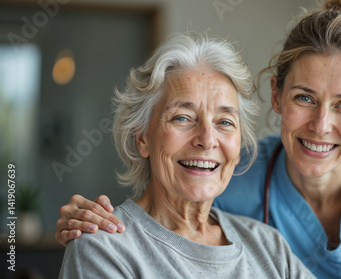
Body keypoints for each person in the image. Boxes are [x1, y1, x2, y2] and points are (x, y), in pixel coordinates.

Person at [56, 0, 341, 278]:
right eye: (305, 98)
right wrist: (91, 220)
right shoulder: (231, 177)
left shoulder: (269, 243)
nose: (320, 124)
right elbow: (160, 215)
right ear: (277, 95)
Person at [58, 33, 315, 279]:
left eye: (224, 122)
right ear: (142, 138)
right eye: (182, 118)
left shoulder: (269, 246)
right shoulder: (104, 248)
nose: (207, 139)